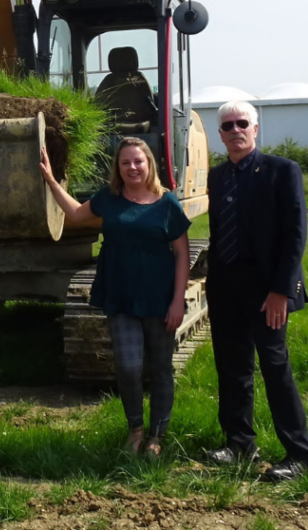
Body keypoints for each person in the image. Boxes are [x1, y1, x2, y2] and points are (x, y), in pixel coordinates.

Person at [39, 137, 190, 457]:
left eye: (138, 161)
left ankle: (157, 437)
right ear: (118, 168)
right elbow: (78, 215)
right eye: (125, 162)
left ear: (149, 164)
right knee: (129, 366)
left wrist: (178, 300)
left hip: (160, 299)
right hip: (120, 296)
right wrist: (51, 180)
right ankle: (135, 430)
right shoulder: (110, 198)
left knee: (161, 368)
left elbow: (181, 253)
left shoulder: (167, 203)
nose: (133, 167)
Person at [204, 100, 308, 482]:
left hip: (269, 291)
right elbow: (220, 232)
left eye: (242, 124)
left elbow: (295, 234)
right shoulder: (217, 177)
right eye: (227, 126)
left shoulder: (282, 171)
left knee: (275, 368)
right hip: (227, 290)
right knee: (232, 368)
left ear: (255, 129)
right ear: (220, 135)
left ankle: (301, 456)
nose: (235, 130)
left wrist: (282, 291)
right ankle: (239, 444)